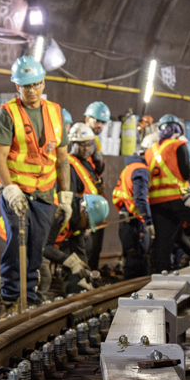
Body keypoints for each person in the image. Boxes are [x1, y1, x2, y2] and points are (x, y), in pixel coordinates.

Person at [0, 56, 70, 307]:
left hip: (46, 194)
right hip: (18, 191)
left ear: (43, 83)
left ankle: (32, 297)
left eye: (36, 84)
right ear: (17, 87)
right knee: (17, 242)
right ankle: (13, 297)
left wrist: (65, 196)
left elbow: (62, 158)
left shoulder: (56, 113)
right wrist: (9, 189)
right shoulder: (7, 114)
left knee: (37, 246)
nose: (32, 90)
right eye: (26, 86)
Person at [145, 114, 190, 272]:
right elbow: (186, 173)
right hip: (176, 198)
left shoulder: (150, 151)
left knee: (163, 242)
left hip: (156, 202)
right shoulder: (178, 145)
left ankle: (160, 275)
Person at [66, 122, 106, 268]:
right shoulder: (69, 164)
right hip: (78, 222)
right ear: (73, 143)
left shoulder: (85, 163)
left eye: (90, 144)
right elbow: (71, 195)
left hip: (89, 221)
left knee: (90, 256)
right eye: (83, 144)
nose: (87, 148)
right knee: (80, 260)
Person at [112, 152, 152, 279]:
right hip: (134, 219)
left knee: (131, 257)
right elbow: (140, 199)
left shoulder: (129, 167)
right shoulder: (140, 169)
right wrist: (148, 221)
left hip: (126, 216)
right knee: (136, 260)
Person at [82, 101, 112, 268]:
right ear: (87, 118)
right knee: (88, 243)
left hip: (94, 194)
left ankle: (91, 273)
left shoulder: (95, 141)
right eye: (97, 121)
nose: (99, 125)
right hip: (84, 196)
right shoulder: (82, 136)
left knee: (96, 242)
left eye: (103, 122)